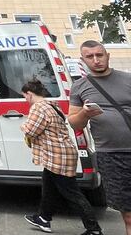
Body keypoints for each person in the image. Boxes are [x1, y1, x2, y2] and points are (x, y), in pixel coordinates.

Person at [22, 78, 103, 235]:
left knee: (72, 192)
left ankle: (93, 229)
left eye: (24, 96)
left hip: (57, 156)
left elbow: (30, 131)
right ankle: (44, 218)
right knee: (48, 186)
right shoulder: (52, 104)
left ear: (30, 94)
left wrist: (22, 125)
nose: (25, 99)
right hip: (60, 154)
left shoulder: (38, 107)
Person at [69, 40, 131, 235]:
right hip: (111, 156)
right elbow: (74, 123)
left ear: (107, 55)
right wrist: (85, 114)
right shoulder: (79, 87)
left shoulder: (127, 79)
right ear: (83, 60)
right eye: (90, 56)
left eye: (99, 55)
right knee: (128, 213)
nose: (96, 60)